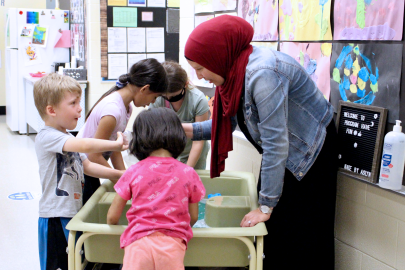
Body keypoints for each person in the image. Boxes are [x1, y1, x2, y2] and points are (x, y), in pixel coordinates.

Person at [183, 15, 338, 269]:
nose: (199, 76)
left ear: (216, 56)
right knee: (274, 230)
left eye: (200, 67)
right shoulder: (232, 75)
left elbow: (276, 144)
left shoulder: (263, 73)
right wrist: (184, 130)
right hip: (282, 152)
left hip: (310, 153)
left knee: (302, 233)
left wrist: (266, 206)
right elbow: (224, 125)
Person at [33, 73, 128, 270]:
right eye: (73, 103)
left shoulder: (65, 136)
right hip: (54, 216)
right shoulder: (47, 136)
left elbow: (88, 167)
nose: (80, 108)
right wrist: (114, 144)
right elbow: (84, 144)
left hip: (71, 212)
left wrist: (120, 176)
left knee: (75, 263)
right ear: (51, 110)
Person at [107, 107, 205, 270]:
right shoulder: (188, 173)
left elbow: (112, 217)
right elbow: (193, 216)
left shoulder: (133, 171)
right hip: (172, 247)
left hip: (137, 245)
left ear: (139, 138)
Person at [77, 58, 168, 205]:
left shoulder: (126, 107)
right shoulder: (113, 111)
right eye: (154, 97)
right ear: (144, 89)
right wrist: (122, 182)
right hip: (82, 168)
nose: (152, 102)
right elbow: (94, 156)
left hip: (91, 166)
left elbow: (115, 148)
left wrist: (126, 180)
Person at [149, 61, 210, 169]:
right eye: (165, 97)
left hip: (194, 152)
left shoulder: (198, 100)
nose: (169, 100)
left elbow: (199, 140)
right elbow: (153, 133)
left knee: (191, 180)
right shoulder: (158, 99)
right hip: (168, 151)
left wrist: (187, 170)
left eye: (174, 97)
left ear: (185, 85)